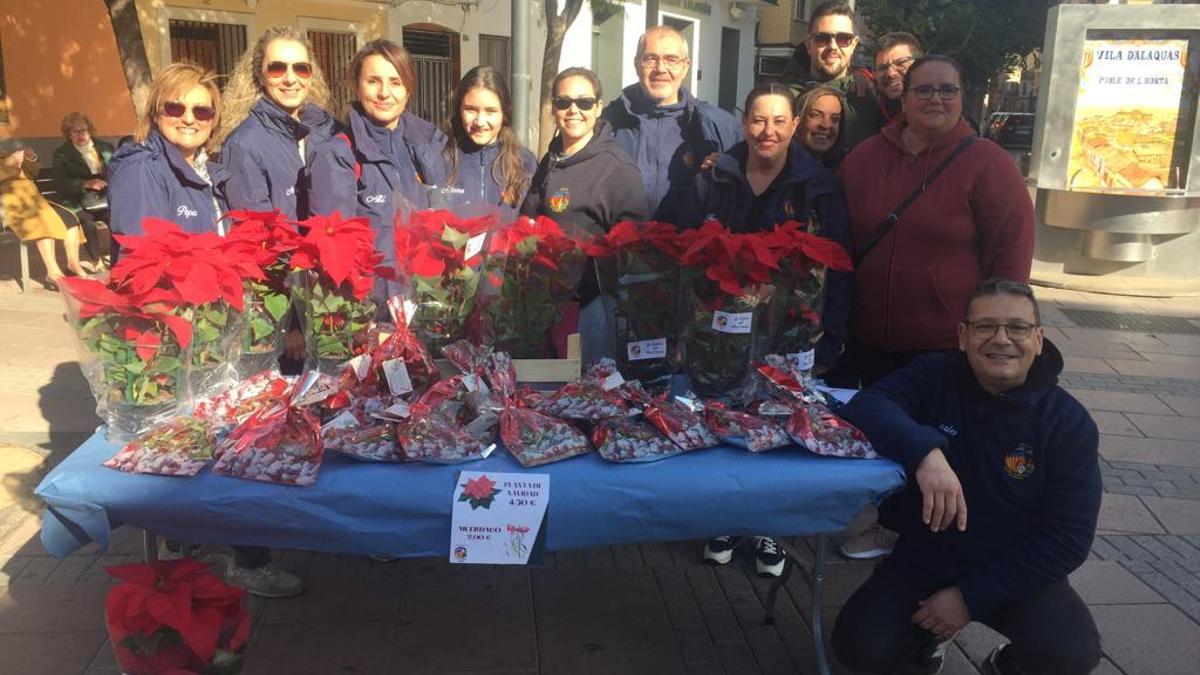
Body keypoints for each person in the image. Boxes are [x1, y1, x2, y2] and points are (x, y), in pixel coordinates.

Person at [831, 278, 1102, 675]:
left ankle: (1005, 665)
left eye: (1018, 328)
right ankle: (923, 643)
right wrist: (926, 451)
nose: (1001, 339)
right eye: (986, 326)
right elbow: (869, 403)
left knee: (1070, 653)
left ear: (1039, 339)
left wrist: (969, 598)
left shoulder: (1067, 421)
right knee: (858, 649)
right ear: (963, 335)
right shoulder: (934, 373)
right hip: (924, 558)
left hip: (1013, 568)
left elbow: (1069, 539)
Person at [835, 55, 1035, 562]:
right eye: (924, 90)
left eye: (948, 90)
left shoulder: (986, 163)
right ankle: (886, 517)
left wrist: (999, 328)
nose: (936, 100)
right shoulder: (863, 158)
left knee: (935, 437)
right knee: (877, 427)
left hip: (941, 337)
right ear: (903, 98)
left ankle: (918, 535)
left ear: (963, 96)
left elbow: (1010, 255)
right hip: (866, 331)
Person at [681, 82, 852, 577]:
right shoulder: (715, 177)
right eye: (758, 120)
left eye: (779, 121)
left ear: (794, 126)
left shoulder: (818, 187)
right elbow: (685, 253)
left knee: (776, 428)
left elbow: (840, 266)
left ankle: (768, 528)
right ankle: (727, 517)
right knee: (727, 422)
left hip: (790, 330)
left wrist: (833, 338)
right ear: (743, 122)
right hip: (720, 329)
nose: (768, 131)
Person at [521, 67, 649, 362]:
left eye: (584, 102)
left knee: (581, 394)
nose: (573, 110)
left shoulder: (617, 168)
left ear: (599, 107)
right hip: (544, 306)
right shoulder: (551, 158)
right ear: (553, 108)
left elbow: (635, 251)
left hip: (589, 314)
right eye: (563, 102)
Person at [310, 38, 448, 277]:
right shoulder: (338, 155)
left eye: (395, 82)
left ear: (408, 90)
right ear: (357, 86)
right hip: (371, 306)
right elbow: (336, 252)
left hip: (419, 299)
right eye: (373, 81)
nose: (384, 93)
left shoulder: (424, 150)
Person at [601, 26, 742, 224]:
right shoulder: (606, 123)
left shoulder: (720, 127)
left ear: (685, 66)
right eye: (650, 58)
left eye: (671, 59)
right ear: (636, 64)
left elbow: (744, 194)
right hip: (620, 250)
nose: (660, 68)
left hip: (690, 251)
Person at [107, 64, 230, 263]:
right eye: (175, 108)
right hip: (176, 294)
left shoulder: (208, 174)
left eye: (202, 111)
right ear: (156, 113)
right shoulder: (142, 170)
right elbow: (143, 265)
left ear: (213, 120)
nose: (189, 119)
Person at [216, 26, 339, 220]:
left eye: (301, 68)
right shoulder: (243, 146)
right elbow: (257, 236)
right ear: (260, 75)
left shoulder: (329, 131)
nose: (290, 79)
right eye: (277, 68)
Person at [779, 0, 883, 149]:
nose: (833, 46)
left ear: (854, 44)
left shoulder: (871, 97)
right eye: (822, 38)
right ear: (809, 45)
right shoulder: (784, 100)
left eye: (843, 39)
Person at [439, 65, 536, 222]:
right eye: (471, 109)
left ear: (504, 112)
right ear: (459, 109)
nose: (480, 122)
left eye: (491, 111)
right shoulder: (440, 157)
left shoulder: (525, 162)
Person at [0, 141, 89, 289]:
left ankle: (73, 265)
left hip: (36, 200)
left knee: (70, 220)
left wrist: (30, 159)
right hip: (13, 204)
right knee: (44, 224)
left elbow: (32, 174)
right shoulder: (7, 159)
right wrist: (9, 164)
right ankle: (53, 274)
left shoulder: (6, 153)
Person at [52, 112, 111, 268]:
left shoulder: (105, 148)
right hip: (77, 201)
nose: (81, 135)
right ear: (68, 134)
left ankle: (120, 257)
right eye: (75, 131)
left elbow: (116, 172)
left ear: (90, 130)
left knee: (118, 216)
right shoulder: (61, 154)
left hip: (104, 197)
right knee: (87, 221)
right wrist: (86, 184)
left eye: (84, 130)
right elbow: (60, 183)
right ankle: (96, 259)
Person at [872, 32, 923, 126]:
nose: (891, 73)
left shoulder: (939, 110)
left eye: (901, 63)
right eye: (883, 68)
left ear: (920, 64)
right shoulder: (868, 113)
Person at [796, 85, 848, 169]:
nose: (826, 125)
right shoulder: (778, 169)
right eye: (816, 115)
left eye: (834, 119)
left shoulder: (845, 168)